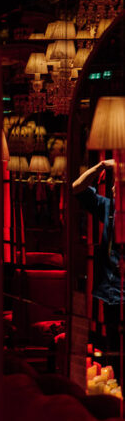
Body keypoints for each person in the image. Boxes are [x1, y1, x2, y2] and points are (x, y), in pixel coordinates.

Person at [73, 158, 123, 377]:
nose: (112, 188)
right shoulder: (108, 207)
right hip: (111, 291)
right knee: (113, 352)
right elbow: (77, 188)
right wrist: (101, 166)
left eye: (117, 185)